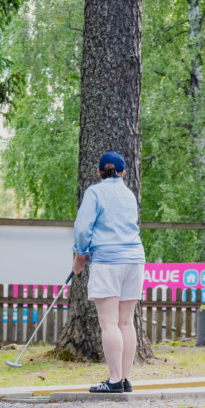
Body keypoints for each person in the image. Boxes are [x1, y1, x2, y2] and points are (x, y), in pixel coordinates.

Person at [72, 151, 145, 394]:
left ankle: (114, 381)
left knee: (109, 323)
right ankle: (124, 379)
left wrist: (80, 254)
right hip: (134, 259)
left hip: (108, 261)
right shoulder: (129, 194)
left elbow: (83, 227)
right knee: (126, 321)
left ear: (100, 171)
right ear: (123, 172)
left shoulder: (95, 191)